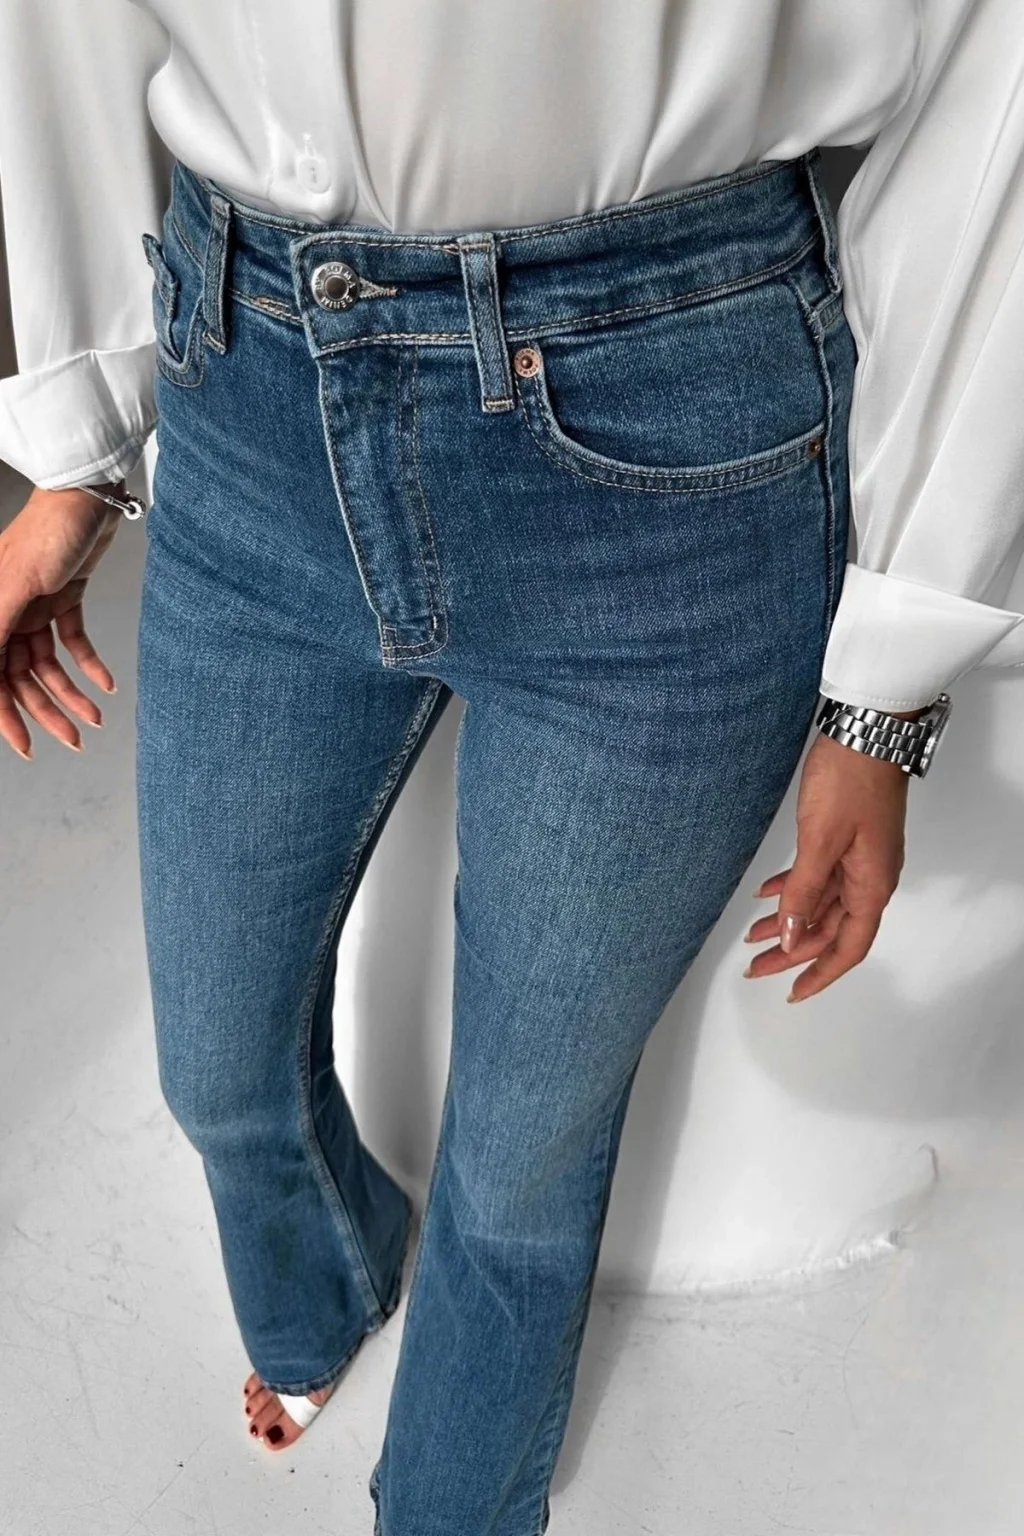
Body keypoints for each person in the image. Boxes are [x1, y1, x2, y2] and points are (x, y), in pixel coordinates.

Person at [0, 3, 1021, 1531]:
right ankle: (332, 1269)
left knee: (527, 1149)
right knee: (213, 1057)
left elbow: (996, 86)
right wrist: (77, 444)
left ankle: (457, 1504)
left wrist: (886, 686)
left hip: (672, 438)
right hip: (254, 379)